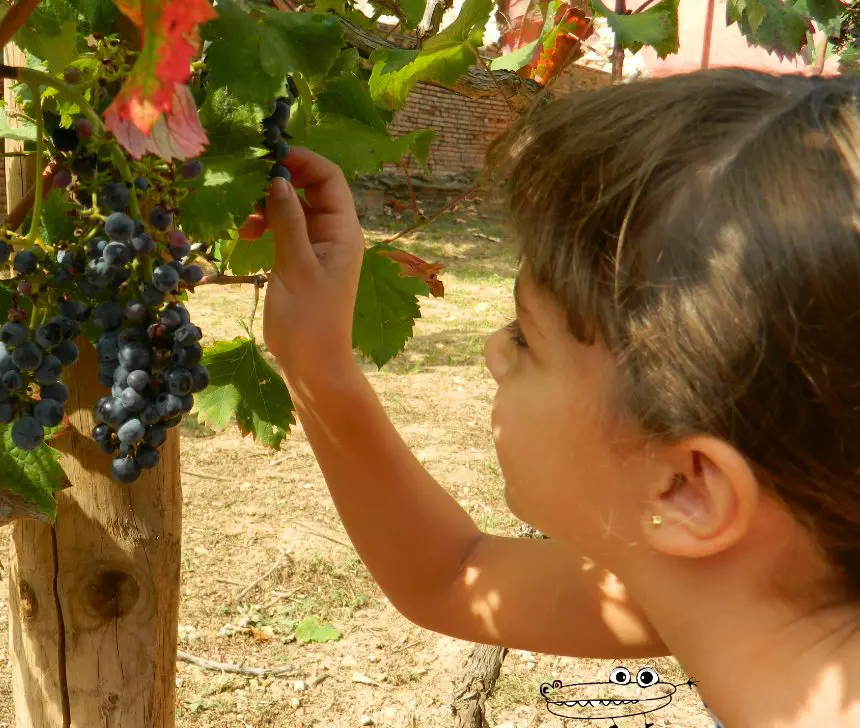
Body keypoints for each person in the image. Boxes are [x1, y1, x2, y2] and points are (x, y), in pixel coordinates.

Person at [238, 68, 860, 728]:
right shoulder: (756, 588)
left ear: (686, 487)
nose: (494, 352)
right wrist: (319, 368)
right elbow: (453, 576)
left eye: (527, 339)